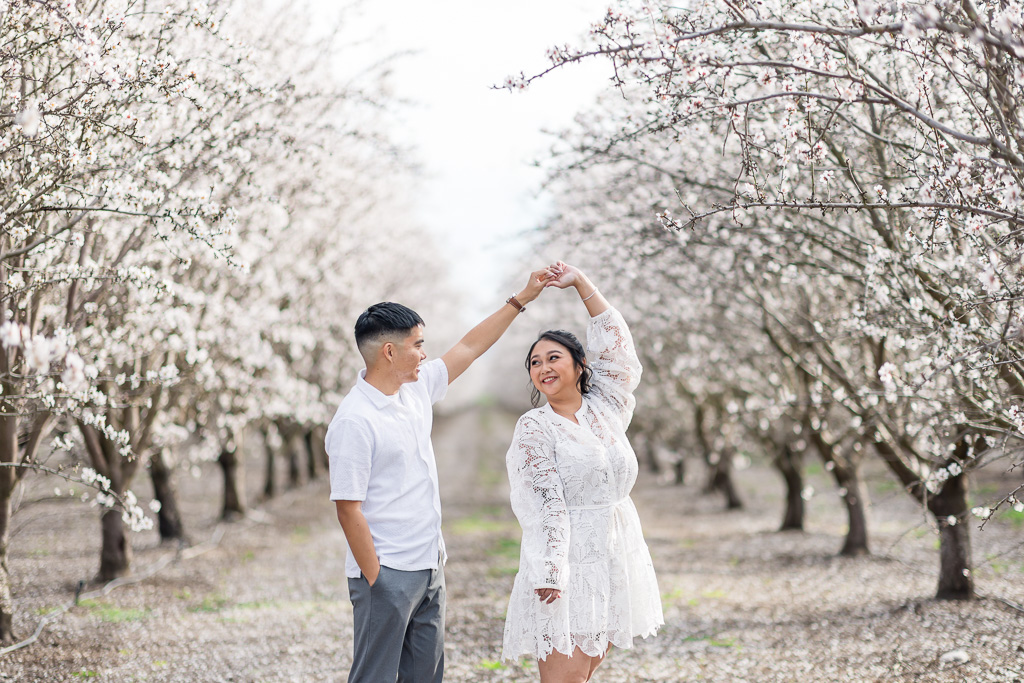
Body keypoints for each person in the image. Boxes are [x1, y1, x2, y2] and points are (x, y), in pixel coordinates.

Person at [326, 266, 556, 683]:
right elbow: (348, 509)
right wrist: (378, 579)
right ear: (389, 353)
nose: (425, 354)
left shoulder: (414, 390)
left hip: (430, 564)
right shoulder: (354, 421)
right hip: (389, 572)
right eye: (418, 345)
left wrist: (522, 299)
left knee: (426, 676)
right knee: (374, 677)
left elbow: (469, 347)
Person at [502, 262, 663, 683]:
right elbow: (542, 504)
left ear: (579, 364)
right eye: (535, 363)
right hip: (568, 563)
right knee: (565, 677)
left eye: (553, 357)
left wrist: (581, 284)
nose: (543, 368)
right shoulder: (534, 427)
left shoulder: (605, 410)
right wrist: (550, 570)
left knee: (585, 672)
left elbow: (620, 351)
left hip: (613, 553)